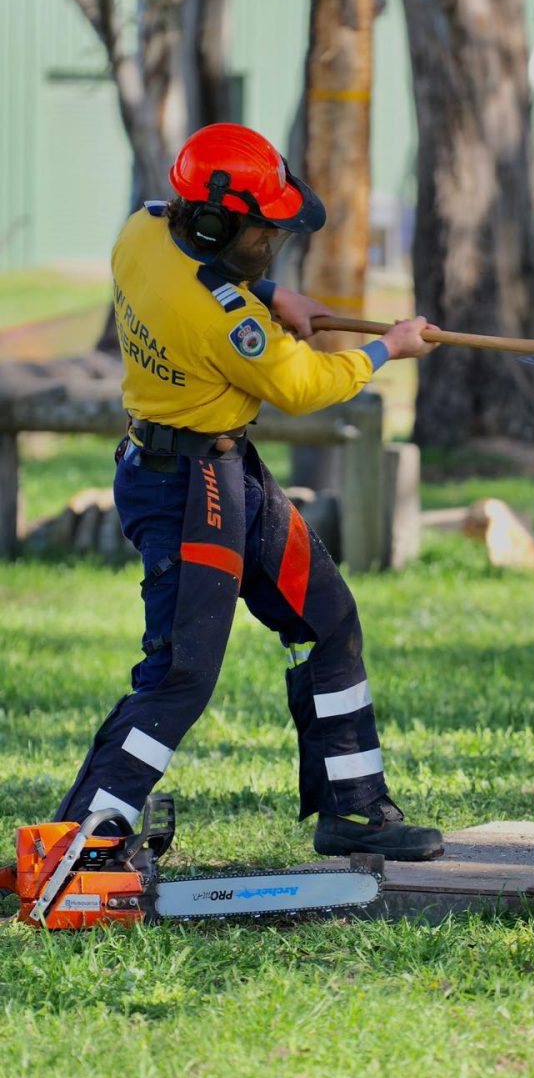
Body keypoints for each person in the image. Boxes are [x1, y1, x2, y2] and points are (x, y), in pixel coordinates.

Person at [54, 122, 444, 862]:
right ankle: (80, 844)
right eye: (265, 232)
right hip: (187, 490)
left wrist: (269, 291)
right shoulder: (221, 320)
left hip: (223, 470)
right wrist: (386, 349)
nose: (274, 242)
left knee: (326, 619)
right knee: (180, 673)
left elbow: (204, 278)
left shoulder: (142, 231)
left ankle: (354, 809)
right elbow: (302, 385)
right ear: (214, 224)